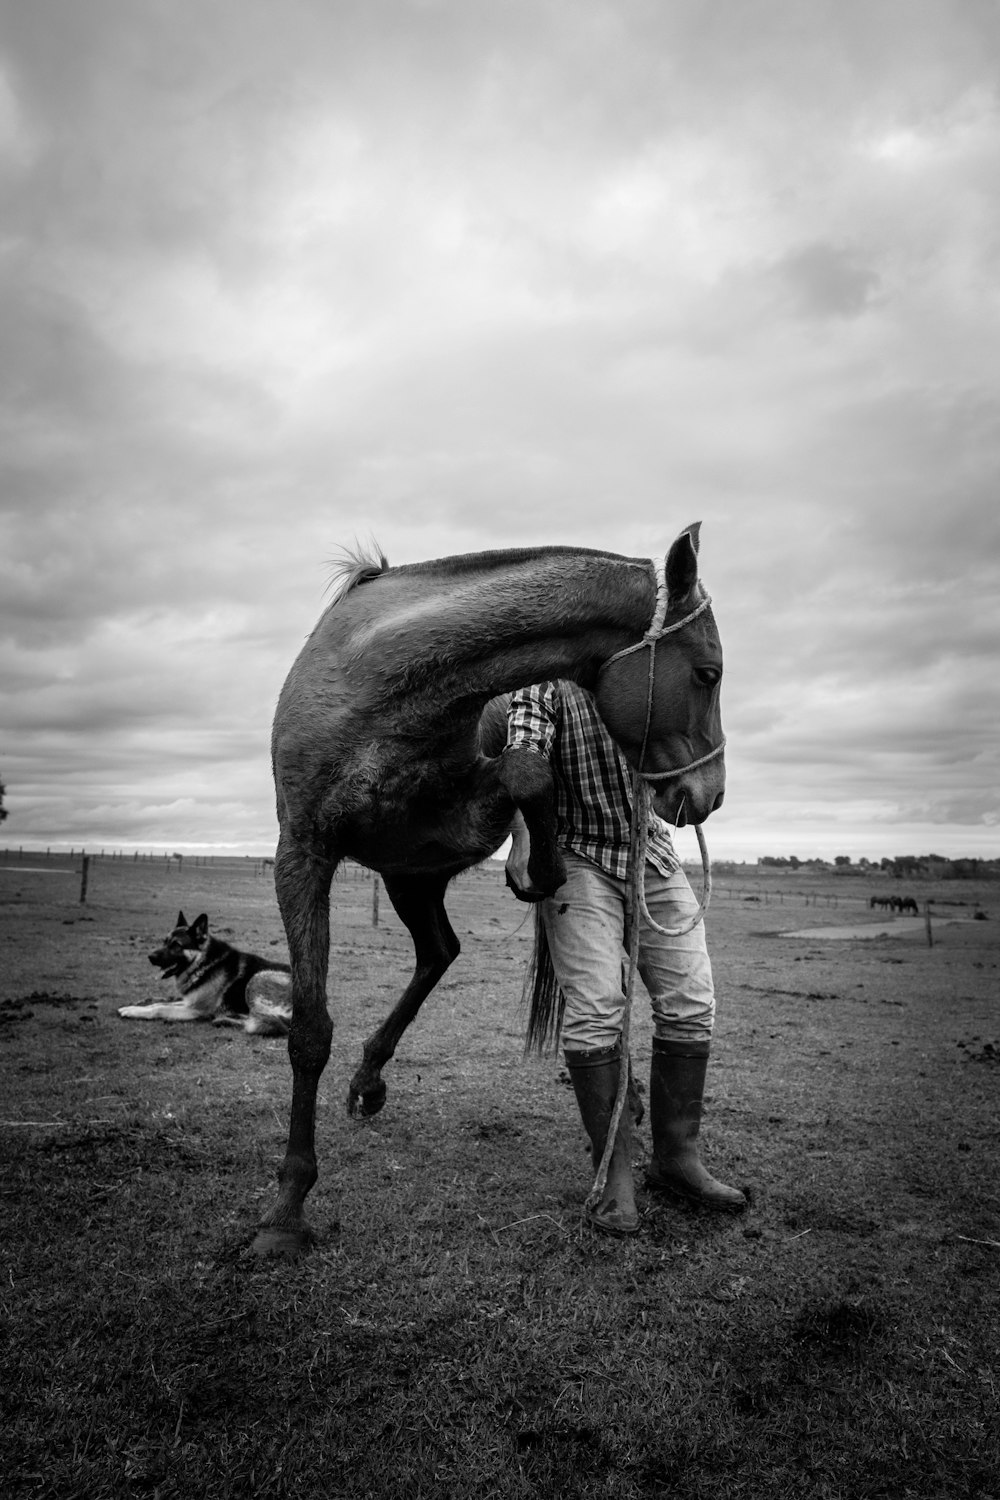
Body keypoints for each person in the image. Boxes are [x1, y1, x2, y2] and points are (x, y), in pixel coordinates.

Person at [504, 678, 746, 1236]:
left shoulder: (648, 677)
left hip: (650, 851)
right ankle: (612, 1171)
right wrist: (525, 838)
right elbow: (521, 758)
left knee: (691, 999)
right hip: (577, 854)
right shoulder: (545, 683)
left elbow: (686, 737)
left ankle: (676, 1158)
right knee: (595, 1005)